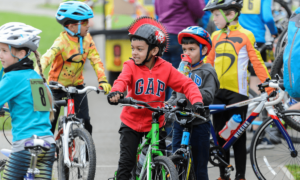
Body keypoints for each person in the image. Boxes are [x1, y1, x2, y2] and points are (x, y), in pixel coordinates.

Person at [106, 17, 205, 180]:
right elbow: (121, 81)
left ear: (153, 51)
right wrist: (117, 92)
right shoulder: (130, 66)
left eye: (139, 49)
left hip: (155, 122)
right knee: (126, 163)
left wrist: (197, 102)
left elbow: (186, 84)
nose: (134, 53)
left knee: (159, 162)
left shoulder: (165, 68)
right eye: (133, 48)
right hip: (131, 122)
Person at [203, 0, 272, 179]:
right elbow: (207, 64)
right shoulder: (215, 36)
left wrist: (268, 85)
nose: (213, 18)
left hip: (238, 94)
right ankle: (223, 175)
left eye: (217, 15)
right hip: (217, 93)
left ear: (231, 14)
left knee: (237, 136)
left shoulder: (246, 35)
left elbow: (257, 62)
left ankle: (240, 176)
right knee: (220, 136)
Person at [36, 1, 111, 135]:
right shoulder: (61, 42)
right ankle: (47, 153)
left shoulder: (88, 39)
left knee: (86, 122)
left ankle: (87, 153)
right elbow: (46, 58)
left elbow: (96, 60)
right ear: (71, 26)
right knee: (49, 124)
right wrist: (36, 75)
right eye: (85, 22)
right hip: (56, 87)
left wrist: (103, 80)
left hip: (77, 86)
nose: (89, 24)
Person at [0, 22, 55, 180]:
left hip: (25, 145)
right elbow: (42, 109)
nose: (0, 55)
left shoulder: (12, 78)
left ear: (22, 53)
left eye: (4, 51)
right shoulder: (37, 78)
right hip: (48, 145)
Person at [167, 26, 220, 180]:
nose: (187, 53)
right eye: (184, 49)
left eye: (192, 49)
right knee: (176, 162)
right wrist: (169, 105)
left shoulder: (207, 71)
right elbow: (176, 93)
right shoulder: (181, 69)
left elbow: (209, 96)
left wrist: (190, 87)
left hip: (199, 124)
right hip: (179, 123)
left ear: (203, 51)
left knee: (199, 167)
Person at [154, 0, 206, 101]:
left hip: (163, 35)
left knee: (163, 77)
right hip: (181, 35)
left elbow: (157, 12)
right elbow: (199, 11)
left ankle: (159, 110)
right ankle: (172, 109)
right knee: (177, 77)